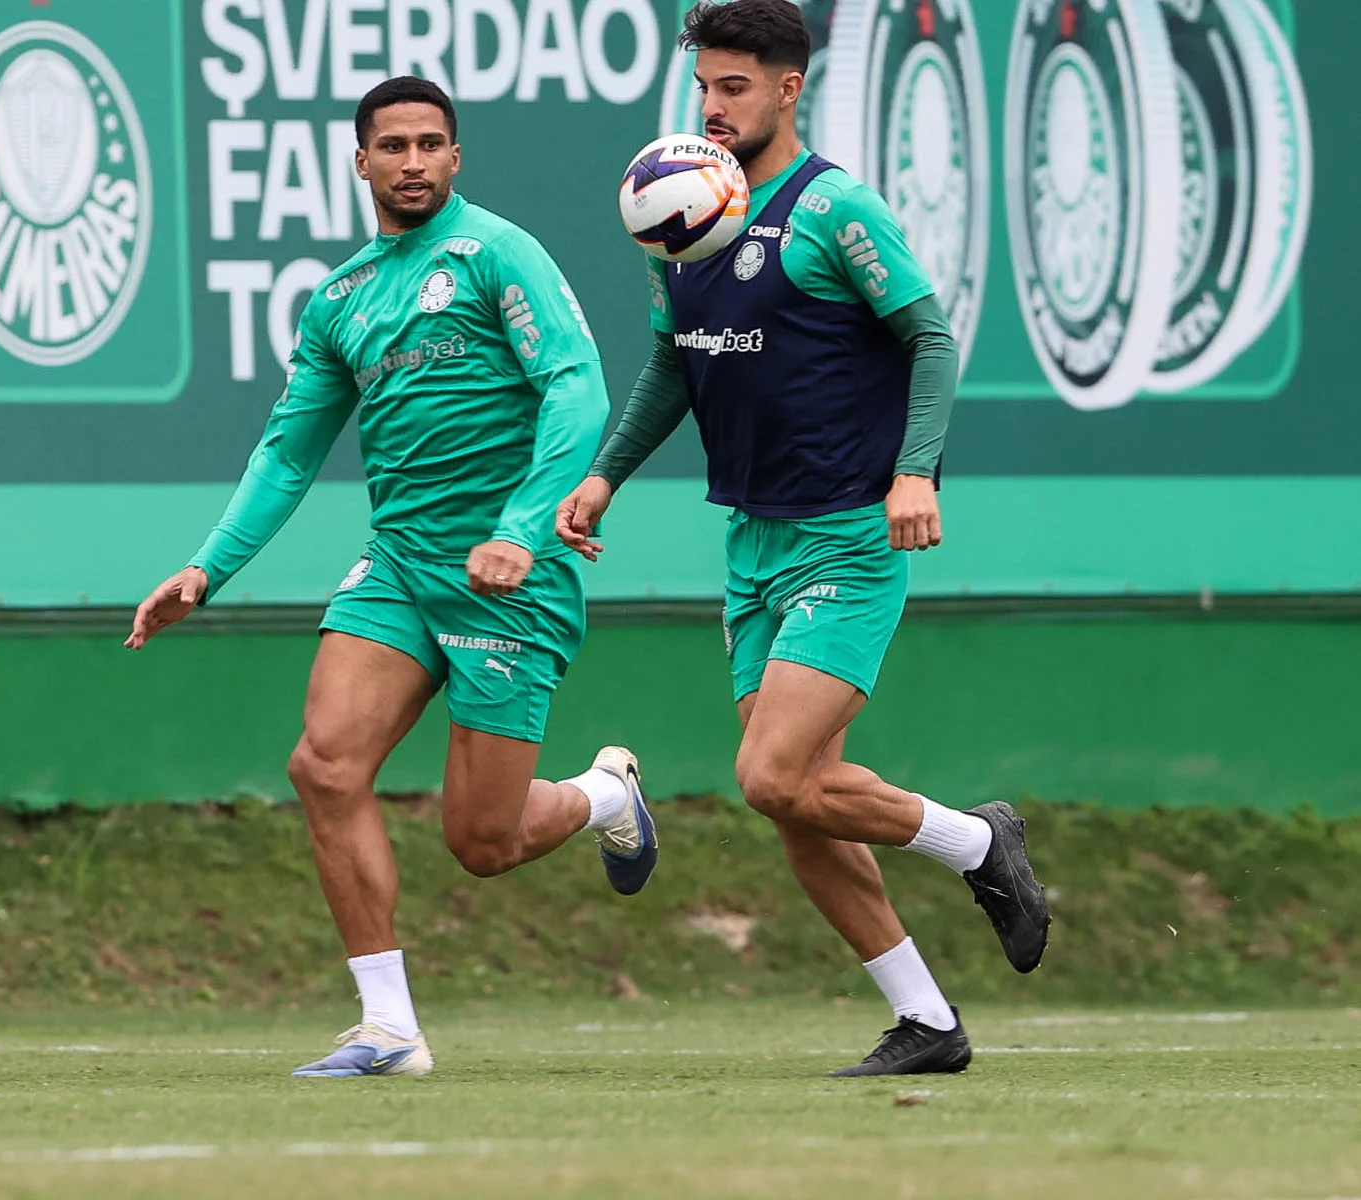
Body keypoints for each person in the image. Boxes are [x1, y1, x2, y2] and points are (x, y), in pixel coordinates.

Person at [126, 76, 658, 1080]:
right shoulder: (341, 298)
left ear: (456, 158)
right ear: (360, 160)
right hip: (401, 568)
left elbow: (575, 389)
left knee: (483, 841)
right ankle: (388, 1027)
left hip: (511, 577)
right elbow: (288, 454)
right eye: (393, 146)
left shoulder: (502, 255)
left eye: (430, 144)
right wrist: (208, 567)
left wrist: (520, 531)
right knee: (323, 765)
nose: (412, 161)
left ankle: (604, 796)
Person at [557, 0, 1049, 1076]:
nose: (713, 108)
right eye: (704, 87)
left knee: (773, 775)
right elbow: (673, 366)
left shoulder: (836, 209)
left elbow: (930, 337)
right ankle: (927, 1021)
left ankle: (978, 841)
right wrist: (602, 476)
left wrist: (913, 471)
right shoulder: (678, 211)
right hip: (753, 541)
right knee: (798, 808)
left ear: (789, 89)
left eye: (735, 88)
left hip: (846, 535)